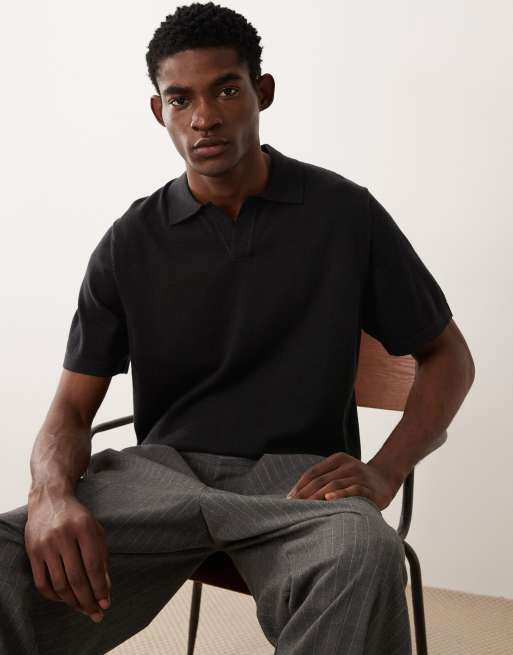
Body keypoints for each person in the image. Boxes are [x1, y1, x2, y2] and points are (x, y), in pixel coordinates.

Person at [0, 3, 475, 653]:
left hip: (299, 483)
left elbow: (448, 356)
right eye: (180, 99)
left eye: (226, 89)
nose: (204, 117)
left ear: (262, 91)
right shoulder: (129, 242)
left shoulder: (344, 214)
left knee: (364, 551)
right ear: (158, 111)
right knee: (8, 553)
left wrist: (386, 470)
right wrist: (51, 493)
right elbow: (71, 408)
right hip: (159, 477)